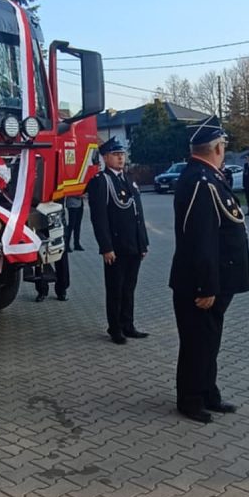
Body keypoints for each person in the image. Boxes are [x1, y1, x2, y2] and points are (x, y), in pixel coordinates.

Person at [169, 116, 249, 423]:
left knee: (209, 341)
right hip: (200, 284)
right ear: (218, 147)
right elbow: (200, 239)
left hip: (216, 281)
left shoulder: (208, 176)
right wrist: (206, 287)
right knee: (196, 343)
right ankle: (190, 400)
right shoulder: (199, 181)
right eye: (224, 145)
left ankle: (208, 393)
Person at [86, 137, 149, 344]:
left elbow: (138, 214)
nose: (120, 158)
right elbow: (99, 218)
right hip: (116, 246)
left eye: (122, 154)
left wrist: (143, 243)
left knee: (129, 288)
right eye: (115, 154)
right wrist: (106, 247)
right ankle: (115, 328)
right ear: (105, 157)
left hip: (133, 244)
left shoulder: (128, 179)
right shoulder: (100, 182)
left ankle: (128, 325)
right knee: (116, 289)